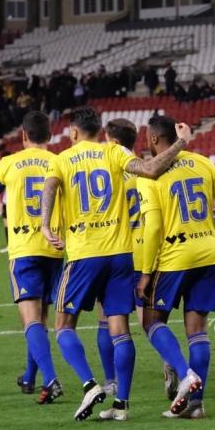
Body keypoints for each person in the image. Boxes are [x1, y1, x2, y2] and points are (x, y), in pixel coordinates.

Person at [40, 106, 192, 421]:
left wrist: (44, 224)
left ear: (73, 132)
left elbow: (50, 187)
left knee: (62, 326)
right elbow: (150, 169)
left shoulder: (62, 159)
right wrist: (180, 143)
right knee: (120, 330)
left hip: (85, 253)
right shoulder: (115, 152)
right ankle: (121, 404)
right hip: (122, 256)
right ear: (99, 131)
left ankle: (90, 384)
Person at [136, 115, 215, 419]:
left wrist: (144, 272)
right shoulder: (204, 163)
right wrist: (211, 238)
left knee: (151, 321)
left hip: (174, 258)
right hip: (208, 255)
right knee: (197, 331)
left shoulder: (150, 174)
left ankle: (184, 374)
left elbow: (153, 228)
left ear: (154, 139)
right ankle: (196, 405)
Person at [0, 111, 64, 404]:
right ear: (50, 135)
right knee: (42, 317)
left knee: (29, 319)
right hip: (54, 247)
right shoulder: (59, 162)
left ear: (23, 135)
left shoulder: (9, 163)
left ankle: (50, 378)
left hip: (24, 248)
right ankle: (30, 377)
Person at [94, 118, 143, 401]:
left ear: (112, 141)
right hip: (146, 251)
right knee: (150, 321)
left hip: (118, 250)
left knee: (108, 318)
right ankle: (170, 364)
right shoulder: (146, 172)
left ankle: (111, 381)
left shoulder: (107, 175)